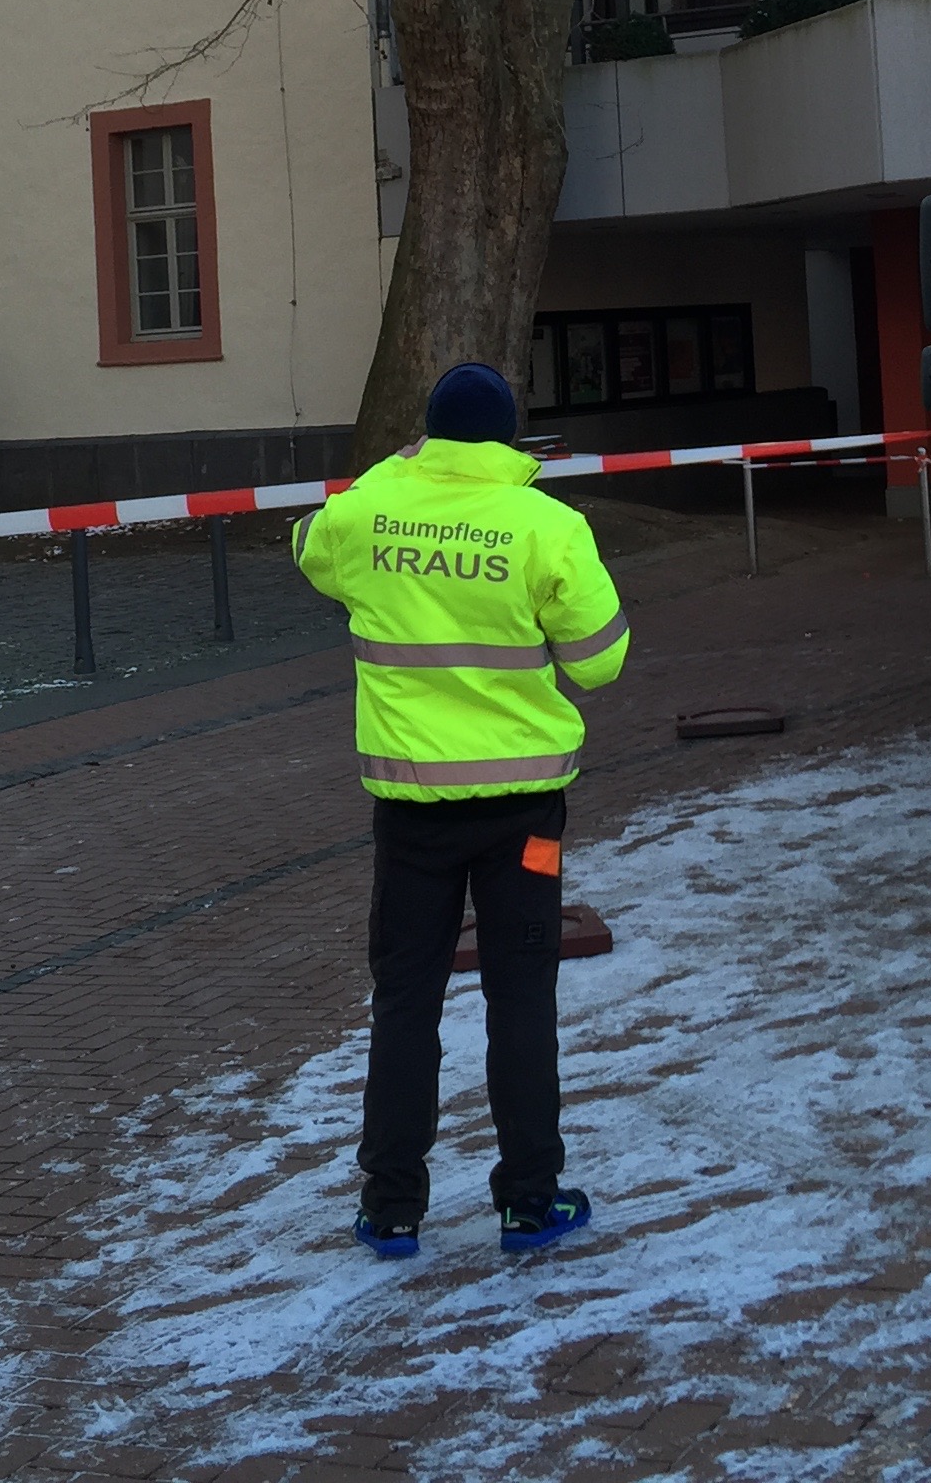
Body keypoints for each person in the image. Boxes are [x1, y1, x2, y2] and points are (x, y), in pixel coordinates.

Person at [291, 360, 632, 1257]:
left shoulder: (368, 511)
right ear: (510, 439)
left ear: (426, 438)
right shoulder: (548, 526)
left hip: (410, 816)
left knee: (406, 1000)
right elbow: (600, 660)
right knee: (524, 996)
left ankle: (391, 1205)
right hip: (524, 817)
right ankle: (529, 1199)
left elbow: (310, 547)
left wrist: (388, 473)